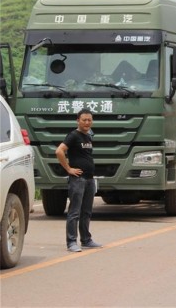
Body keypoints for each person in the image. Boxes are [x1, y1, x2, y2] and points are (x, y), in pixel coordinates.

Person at [55, 108, 102, 252]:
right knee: (74, 212)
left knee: (86, 211)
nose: (87, 122)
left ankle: (86, 240)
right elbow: (59, 151)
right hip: (78, 180)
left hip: (89, 179)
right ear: (78, 121)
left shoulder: (88, 136)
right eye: (84, 120)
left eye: (89, 120)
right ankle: (71, 242)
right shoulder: (73, 136)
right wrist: (69, 169)